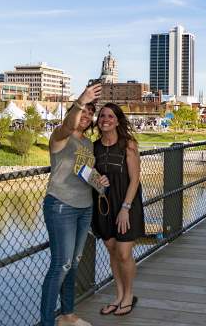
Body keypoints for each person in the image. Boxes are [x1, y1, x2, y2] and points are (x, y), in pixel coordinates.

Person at [40, 83, 101, 326]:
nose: (86, 116)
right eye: (82, 111)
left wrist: (100, 180)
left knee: (74, 263)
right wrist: (80, 100)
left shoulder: (87, 143)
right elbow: (68, 125)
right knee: (61, 264)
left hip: (84, 206)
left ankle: (67, 315)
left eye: (89, 112)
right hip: (61, 205)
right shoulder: (60, 135)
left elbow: (85, 172)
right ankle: (47, 321)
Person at [93, 103, 145, 317]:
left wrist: (125, 208)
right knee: (113, 251)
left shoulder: (128, 144)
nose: (105, 119)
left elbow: (135, 180)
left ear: (117, 120)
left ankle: (129, 295)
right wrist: (97, 180)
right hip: (104, 206)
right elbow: (88, 175)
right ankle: (119, 295)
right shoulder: (93, 147)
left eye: (110, 116)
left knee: (124, 253)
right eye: (102, 116)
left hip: (126, 205)